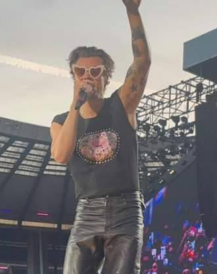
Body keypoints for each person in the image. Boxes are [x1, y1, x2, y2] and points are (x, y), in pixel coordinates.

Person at [50, 0, 151, 272]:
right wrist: (76, 104)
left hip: (126, 210)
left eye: (95, 72)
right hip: (87, 212)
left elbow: (142, 62)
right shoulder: (61, 121)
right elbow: (60, 155)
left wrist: (133, 11)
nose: (88, 77)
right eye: (80, 72)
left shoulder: (122, 105)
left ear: (106, 77)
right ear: (72, 76)